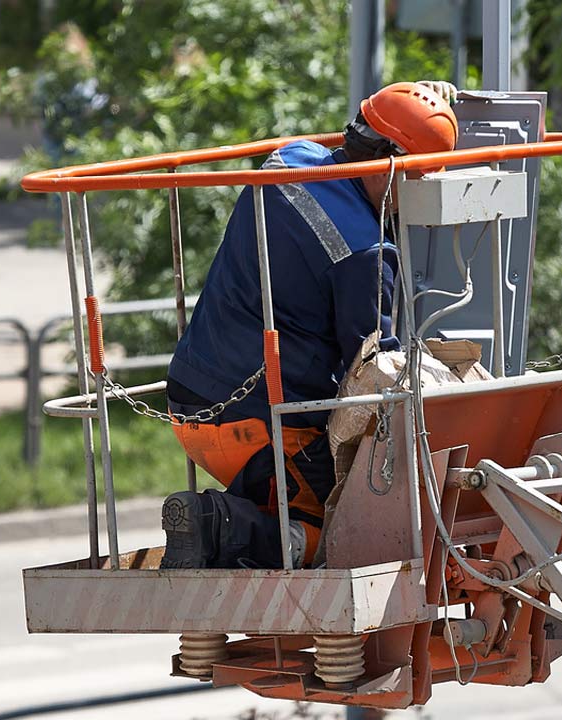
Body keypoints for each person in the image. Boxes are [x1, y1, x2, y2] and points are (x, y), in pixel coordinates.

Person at [160, 81, 461, 569]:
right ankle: (216, 525)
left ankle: (245, 513)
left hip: (189, 398)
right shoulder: (364, 254)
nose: (421, 192)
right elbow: (374, 376)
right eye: (419, 177)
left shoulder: (291, 157)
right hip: (258, 428)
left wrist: (419, 107)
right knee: (358, 527)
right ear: (391, 170)